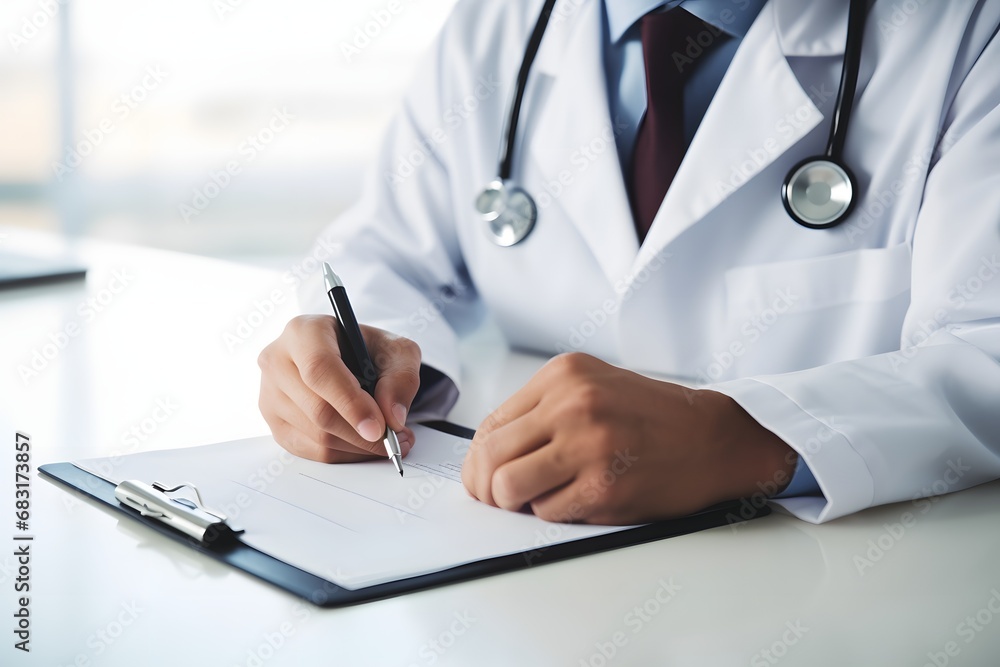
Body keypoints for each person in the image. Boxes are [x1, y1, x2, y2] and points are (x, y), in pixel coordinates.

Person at [257, 0, 1000, 525]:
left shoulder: (968, 29)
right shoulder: (500, 21)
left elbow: (987, 353)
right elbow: (383, 251)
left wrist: (742, 436)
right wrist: (365, 360)